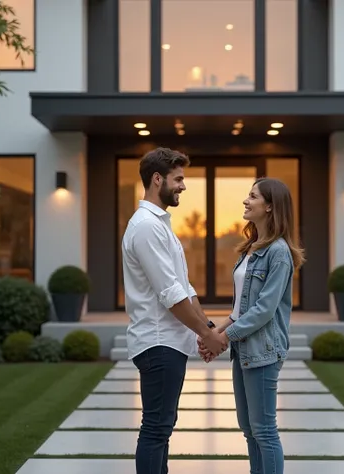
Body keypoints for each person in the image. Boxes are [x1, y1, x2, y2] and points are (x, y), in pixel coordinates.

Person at [122, 147, 227, 474]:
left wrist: (207, 327)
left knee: (162, 428)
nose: (183, 186)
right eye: (178, 179)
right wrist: (207, 334)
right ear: (157, 179)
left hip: (167, 343)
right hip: (157, 343)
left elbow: (184, 289)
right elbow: (171, 296)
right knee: (156, 428)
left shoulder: (159, 226)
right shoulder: (146, 227)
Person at [198, 177, 305, 474]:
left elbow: (263, 311)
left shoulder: (278, 252)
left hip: (264, 351)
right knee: (249, 430)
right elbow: (241, 309)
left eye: (253, 196)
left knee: (264, 431)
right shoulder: (251, 248)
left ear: (270, 206)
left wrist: (223, 338)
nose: (246, 200)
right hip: (244, 350)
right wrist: (214, 334)